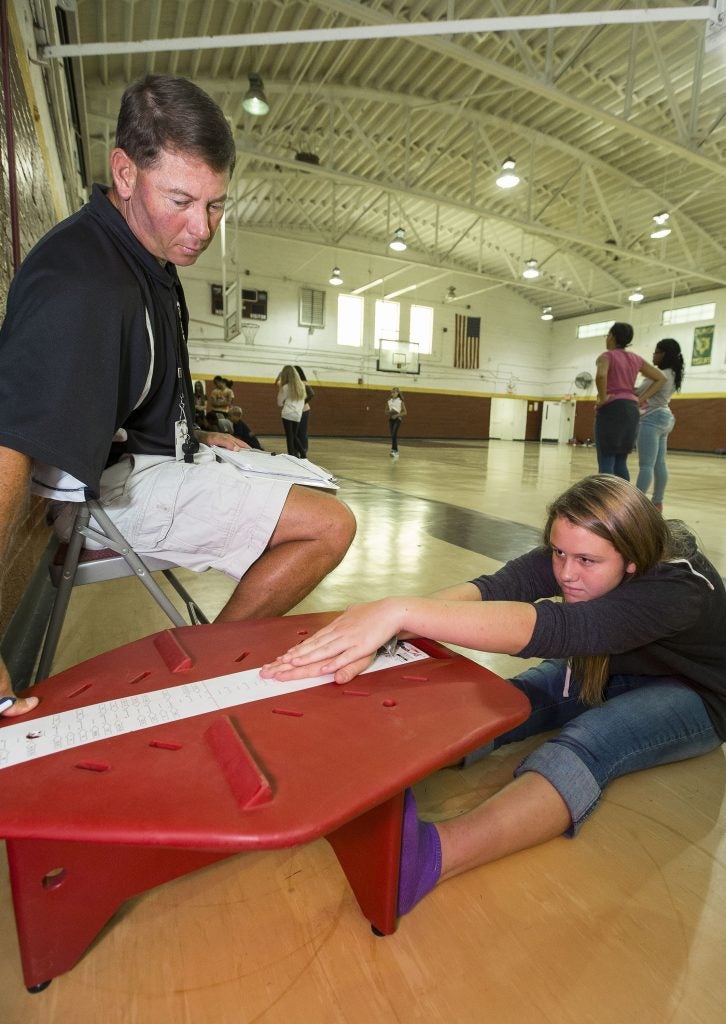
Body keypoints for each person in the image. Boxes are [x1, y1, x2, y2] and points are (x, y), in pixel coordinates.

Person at [0, 74, 356, 718]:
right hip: (97, 500)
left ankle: (204, 659)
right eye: (182, 200)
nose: (202, 228)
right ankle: (207, 673)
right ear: (125, 171)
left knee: (312, 485)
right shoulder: (80, 281)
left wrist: (192, 433)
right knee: (329, 527)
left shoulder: (147, 255)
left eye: (217, 205)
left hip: (152, 460)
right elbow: (8, 449)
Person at [261, 475, 726, 918]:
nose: (567, 573)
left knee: (592, 738)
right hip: (616, 667)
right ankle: (370, 763)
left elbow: (558, 630)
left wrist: (402, 610)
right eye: (559, 553)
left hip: (694, 694)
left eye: (586, 561)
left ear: (631, 562)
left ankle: (431, 859)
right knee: (515, 699)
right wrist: (386, 630)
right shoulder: (584, 550)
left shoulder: (678, 587)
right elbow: (493, 589)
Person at [594, 322, 664, 480]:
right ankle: (625, 500)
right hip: (631, 409)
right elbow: (660, 378)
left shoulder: (606, 356)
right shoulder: (635, 359)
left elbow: (601, 376)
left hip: (612, 409)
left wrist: (603, 397)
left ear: (611, 336)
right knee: (620, 462)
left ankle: (607, 502)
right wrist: (640, 399)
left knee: (606, 461)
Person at [635, 338, 685, 511]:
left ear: (664, 354)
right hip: (665, 418)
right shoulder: (673, 373)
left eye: (656, 352)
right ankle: (657, 502)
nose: (653, 355)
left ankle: (636, 505)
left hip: (652, 419)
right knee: (659, 464)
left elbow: (637, 392)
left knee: (646, 465)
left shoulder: (659, 375)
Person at [276, 365, 306, 456]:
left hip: (287, 414)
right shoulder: (302, 386)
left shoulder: (285, 387)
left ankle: (291, 456)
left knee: (290, 436)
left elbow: (279, 403)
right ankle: (303, 454)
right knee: (294, 436)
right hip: (297, 414)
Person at [294, 365, 314, 459]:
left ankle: (304, 450)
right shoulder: (294, 382)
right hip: (296, 411)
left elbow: (311, 393)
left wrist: (302, 403)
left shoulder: (303, 382)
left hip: (303, 411)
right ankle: (296, 451)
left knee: (302, 431)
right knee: (296, 432)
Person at [386, 386, 407, 459]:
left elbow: (405, 412)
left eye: (394, 392)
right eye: (392, 392)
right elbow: (385, 411)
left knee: (394, 433)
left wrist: (397, 415)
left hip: (397, 419)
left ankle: (394, 451)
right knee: (393, 435)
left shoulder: (400, 401)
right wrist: (390, 412)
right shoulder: (389, 401)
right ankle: (396, 451)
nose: (393, 393)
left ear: (398, 393)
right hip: (391, 419)